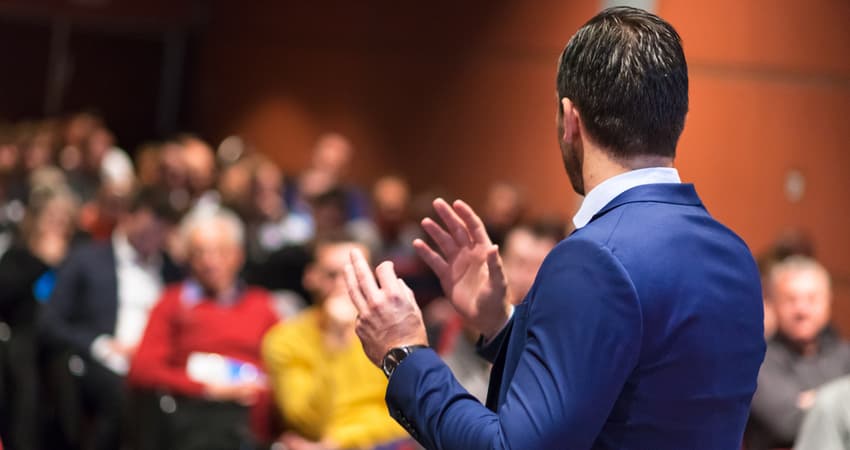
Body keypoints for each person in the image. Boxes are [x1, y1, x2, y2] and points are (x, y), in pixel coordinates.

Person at [343, 7, 765, 449]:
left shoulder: (593, 258)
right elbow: (632, 393)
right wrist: (503, 323)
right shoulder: (734, 254)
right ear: (678, 118)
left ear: (570, 120)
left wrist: (404, 353)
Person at [38, 188, 183, 450]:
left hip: (156, 363)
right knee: (124, 396)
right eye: (151, 221)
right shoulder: (87, 258)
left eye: (164, 226)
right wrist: (101, 345)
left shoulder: (172, 271)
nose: (156, 232)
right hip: (100, 360)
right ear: (128, 216)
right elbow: (49, 321)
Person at [128, 208, 279, 450]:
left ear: (238, 255)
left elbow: (281, 368)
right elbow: (143, 370)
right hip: (191, 418)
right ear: (188, 259)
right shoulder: (172, 302)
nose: (210, 261)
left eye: (220, 251)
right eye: (200, 253)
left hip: (250, 420)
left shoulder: (261, 305)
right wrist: (207, 389)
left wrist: (251, 387)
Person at [261, 236, 409, 450]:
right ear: (310, 277)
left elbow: (410, 414)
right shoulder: (284, 340)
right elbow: (308, 422)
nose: (345, 286)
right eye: (333, 275)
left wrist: (341, 441)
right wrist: (334, 341)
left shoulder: (391, 333)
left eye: (356, 275)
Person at [746, 256, 850, 450]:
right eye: (791, 299)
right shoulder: (759, 361)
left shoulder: (845, 353)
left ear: (828, 300)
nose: (801, 310)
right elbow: (786, 424)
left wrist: (811, 400)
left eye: (812, 299)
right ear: (774, 304)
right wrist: (837, 400)